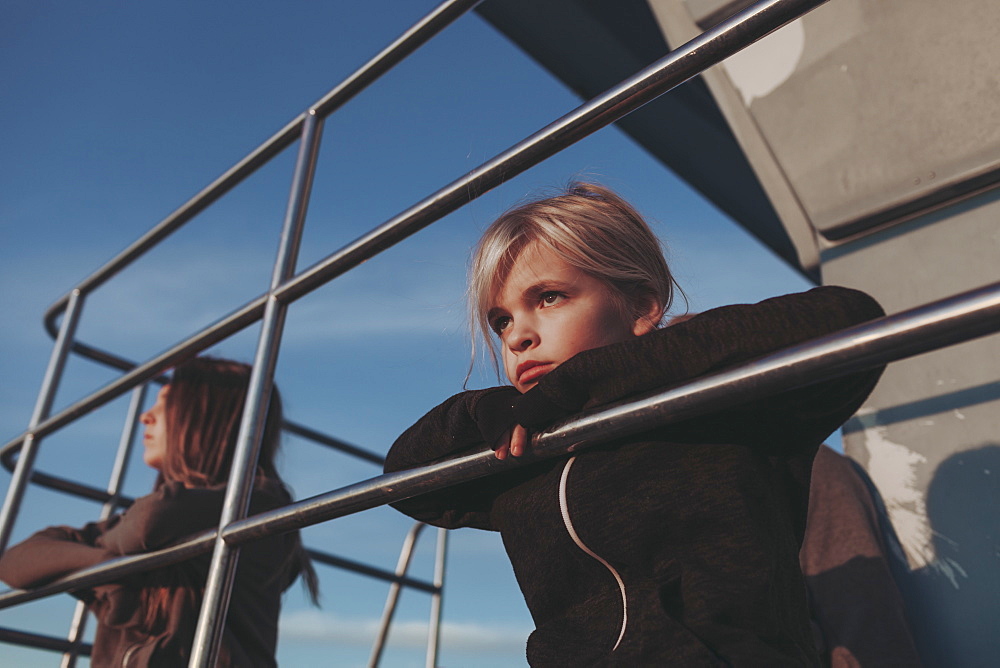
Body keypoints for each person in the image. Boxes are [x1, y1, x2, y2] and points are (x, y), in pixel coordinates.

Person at [384, 183, 886, 666]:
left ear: (643, 306)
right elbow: (406, 480)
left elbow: (850, 320)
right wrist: (480, 410)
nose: (518, 337)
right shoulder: (523, 457)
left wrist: (575, 385)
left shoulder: (719, 410)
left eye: (549, 297)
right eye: (502, 321)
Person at [0, 356, 318, 667]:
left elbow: (149, 524)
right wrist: (105, 567)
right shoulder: (125, 529)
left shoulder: (259, 505)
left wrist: (103, 567)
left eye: (166, 402)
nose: (145, 416)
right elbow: (15, 562)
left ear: (207, 414)